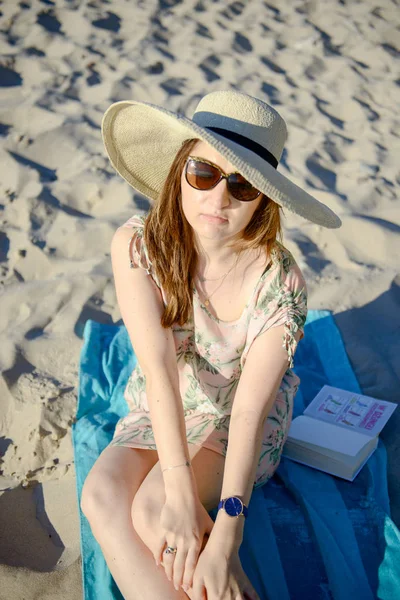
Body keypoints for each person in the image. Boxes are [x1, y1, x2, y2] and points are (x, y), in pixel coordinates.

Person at [81, 90, 341, 600]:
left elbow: (248, 411)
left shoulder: (279, 282)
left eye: (242, 186)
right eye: (203, 174)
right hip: (162, 402)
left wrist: (228, 530)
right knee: (102, 494)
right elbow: (157, 370)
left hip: (234, 425)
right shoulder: (139, 244)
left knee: (151, 510)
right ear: (179, 169)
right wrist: (180, 490)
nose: (217, 199)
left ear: (264, 199)